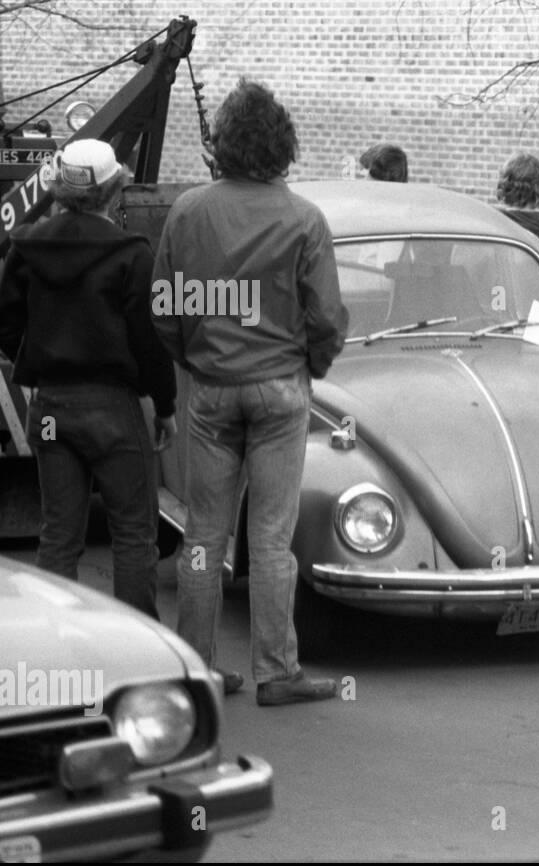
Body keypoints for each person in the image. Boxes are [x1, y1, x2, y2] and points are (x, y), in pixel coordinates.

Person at [151, 79, 349, 705]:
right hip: (280, 389)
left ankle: (198, 669)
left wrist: (195, 358)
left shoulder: (188, 211)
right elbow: (325, 317)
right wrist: (311, 365)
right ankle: (276, 670)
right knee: (270, 536)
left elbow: (165, 307)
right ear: (283, 147)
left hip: (211, 391)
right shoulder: (304, 220)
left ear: (223, 145)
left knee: (203, 537)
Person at [0, 139, 176, 619]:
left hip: (52, 410)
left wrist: (33, 358)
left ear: (59, 185)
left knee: (58, 534)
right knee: (134, 536)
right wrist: (164, 406)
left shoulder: (26, 245)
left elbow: (6, 321)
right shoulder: (131, 254)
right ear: (114, 189)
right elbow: (149, 340)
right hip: (112, 410)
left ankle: (56, 652)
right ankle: (137, 654)